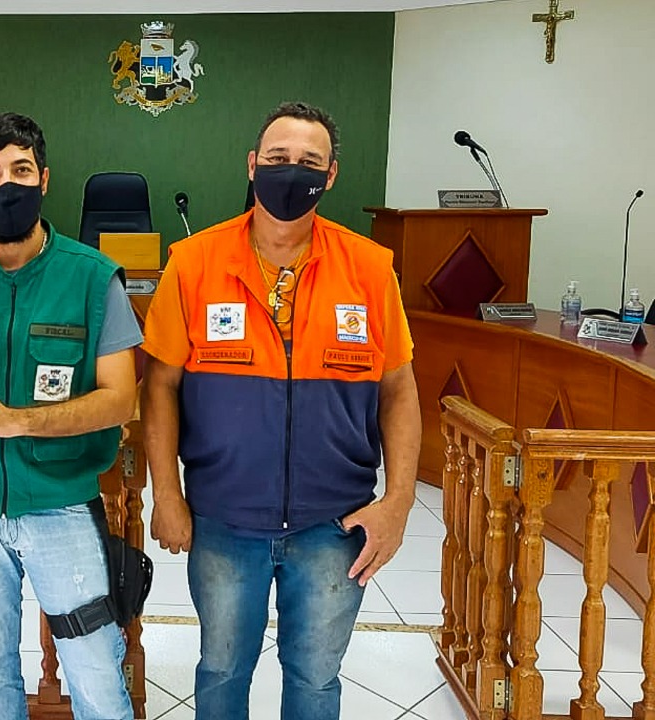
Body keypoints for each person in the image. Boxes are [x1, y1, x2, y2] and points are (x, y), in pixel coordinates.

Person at [140, 101, 423, 720]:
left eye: (309, 162)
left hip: (335, 523)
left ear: (331, 175)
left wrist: (398, 503)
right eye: (277, 158)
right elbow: (158, 386)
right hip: (224, 518)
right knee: (221, 669)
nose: (291, 171)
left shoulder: (370, 268)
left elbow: (399, 391)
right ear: (252, 165)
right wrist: (167, 495)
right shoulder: (194, 262)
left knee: (316, 679)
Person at [0, 112, 140, 720]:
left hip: (61, 505)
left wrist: (17, 420)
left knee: (96, 674)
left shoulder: (93, 278)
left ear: (44, 179)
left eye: (21, 170)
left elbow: (121, 399)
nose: (7, 185)